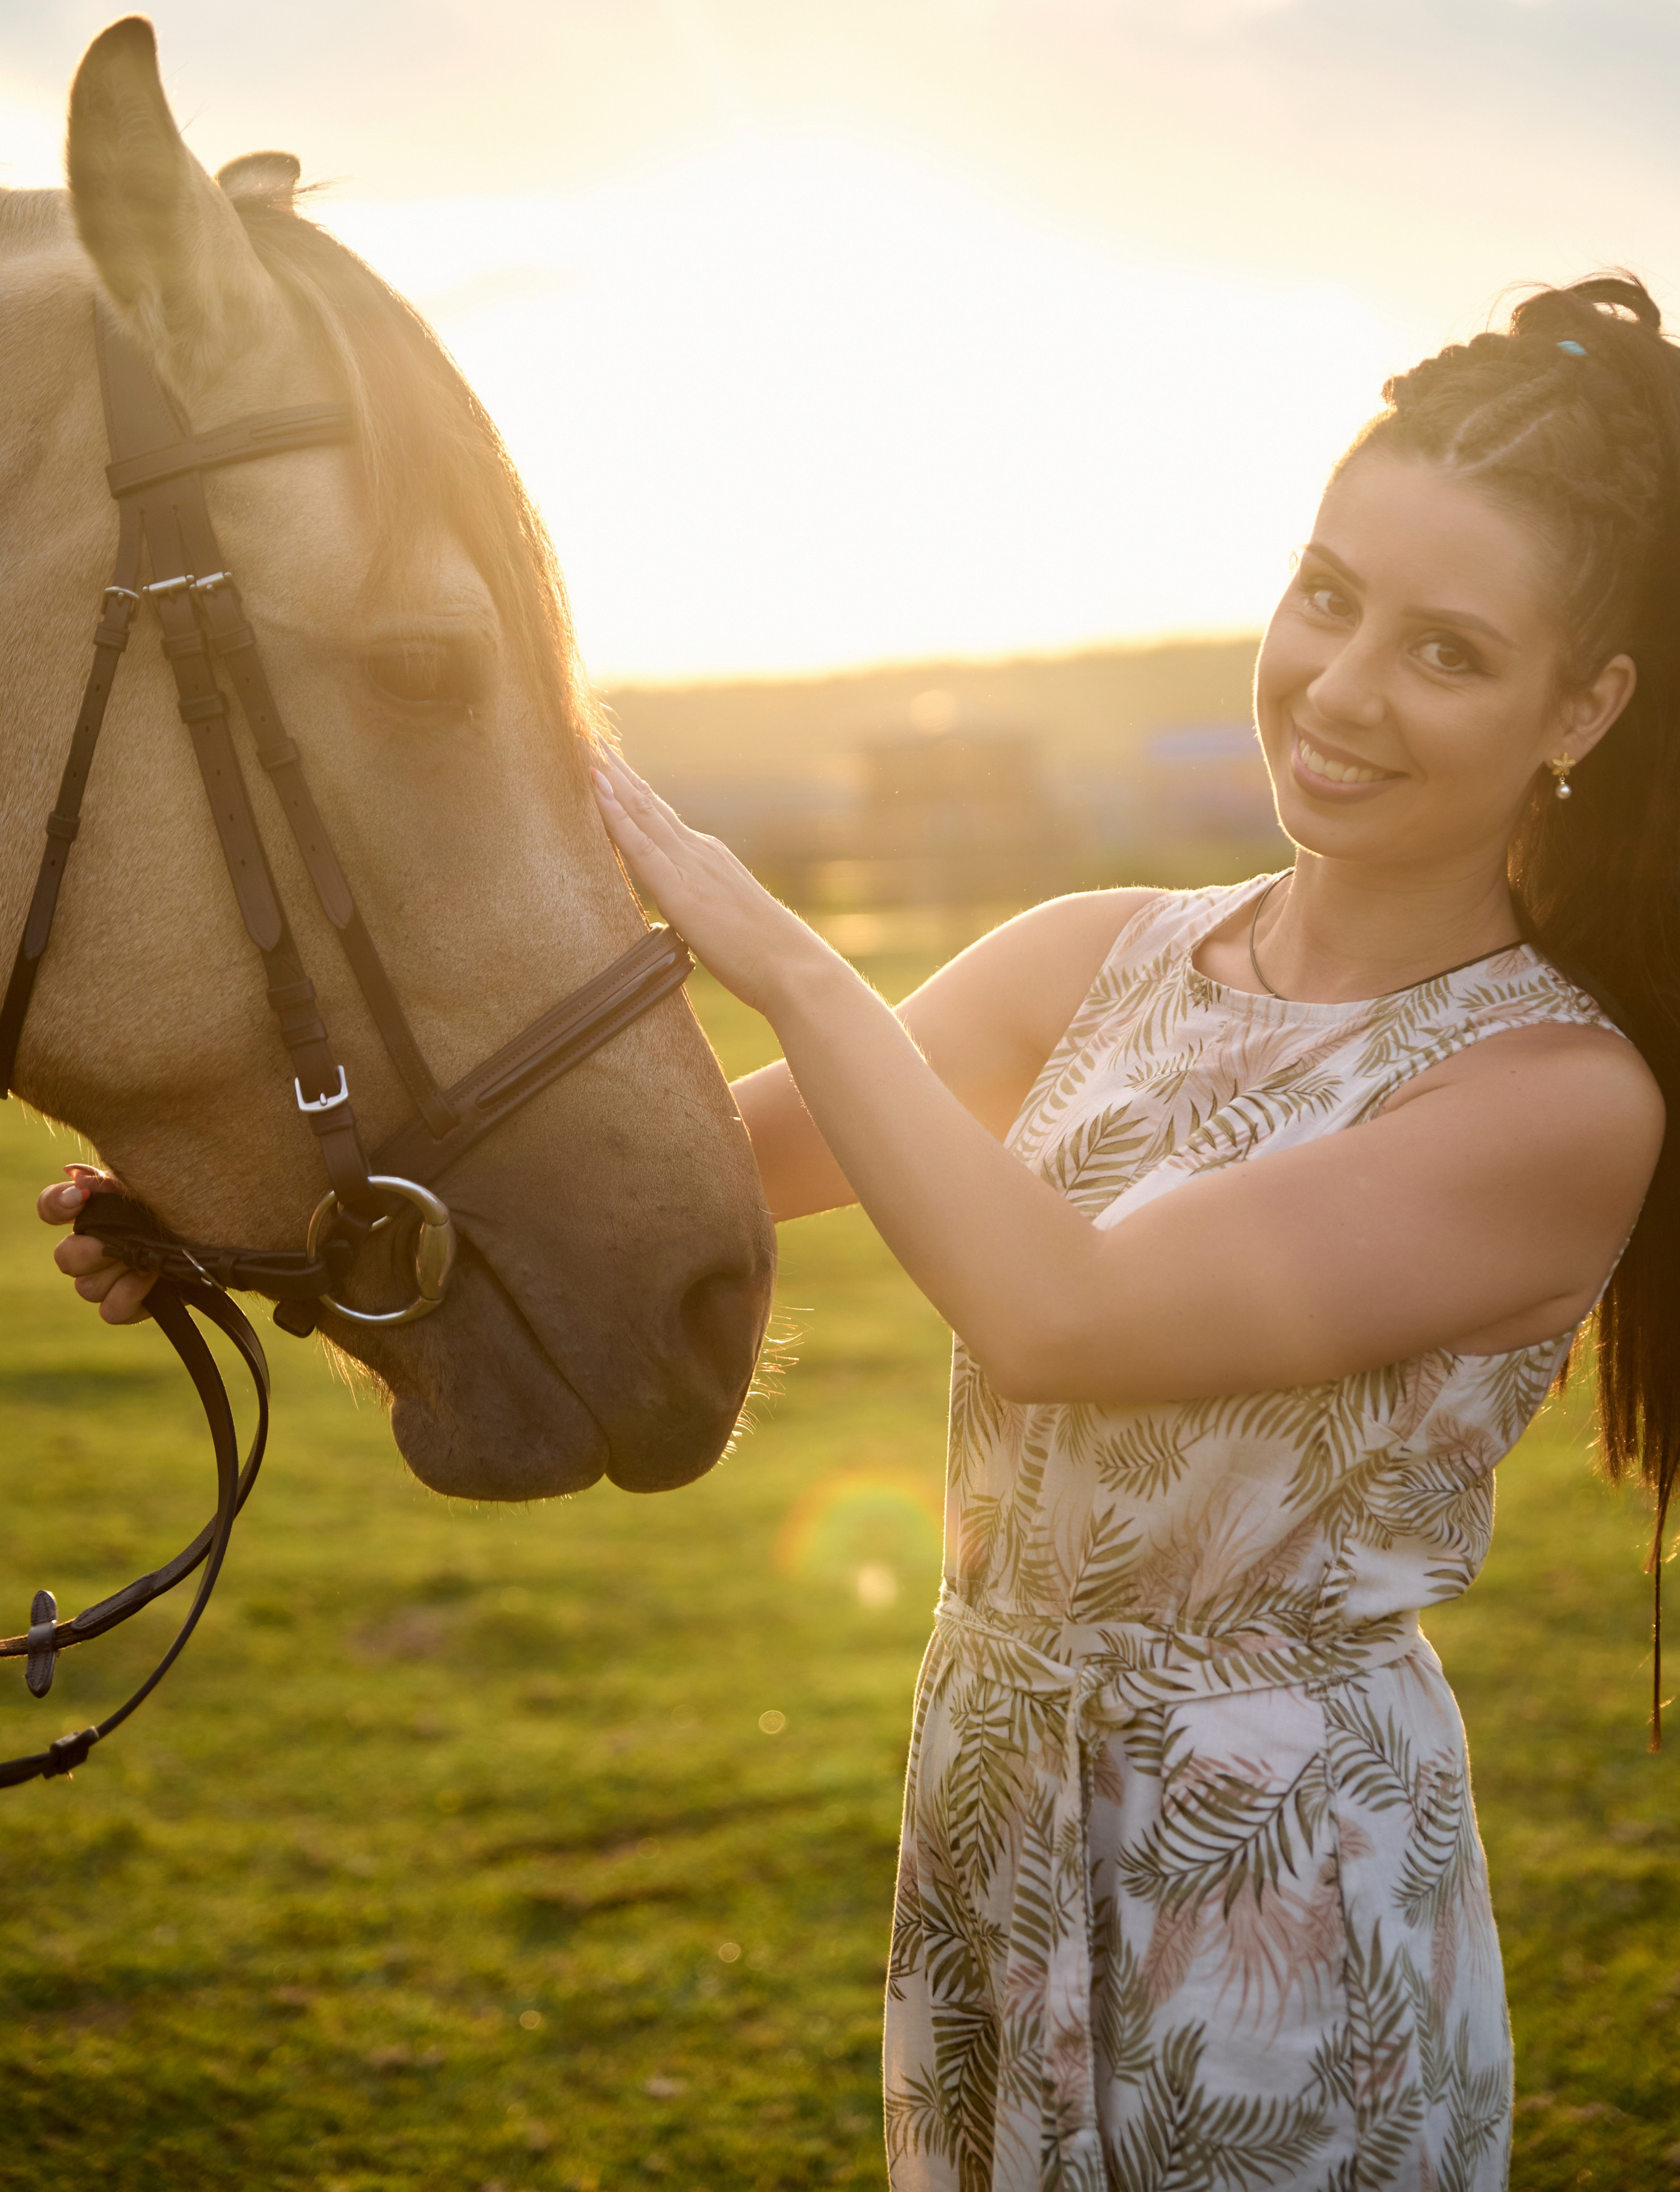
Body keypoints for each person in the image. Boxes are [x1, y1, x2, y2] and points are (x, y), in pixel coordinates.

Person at [43, 274, 1678, 2189]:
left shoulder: (1558, 1100)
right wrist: (251, 1238)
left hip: (1276, 1882)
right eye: (1328, 595)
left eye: (1449, 653)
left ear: (1586, 707)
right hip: (989, 1807)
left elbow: (1061, 1311)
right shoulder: (1095, 956)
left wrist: (766, 939)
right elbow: (645, 1204)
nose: (1341, 684)